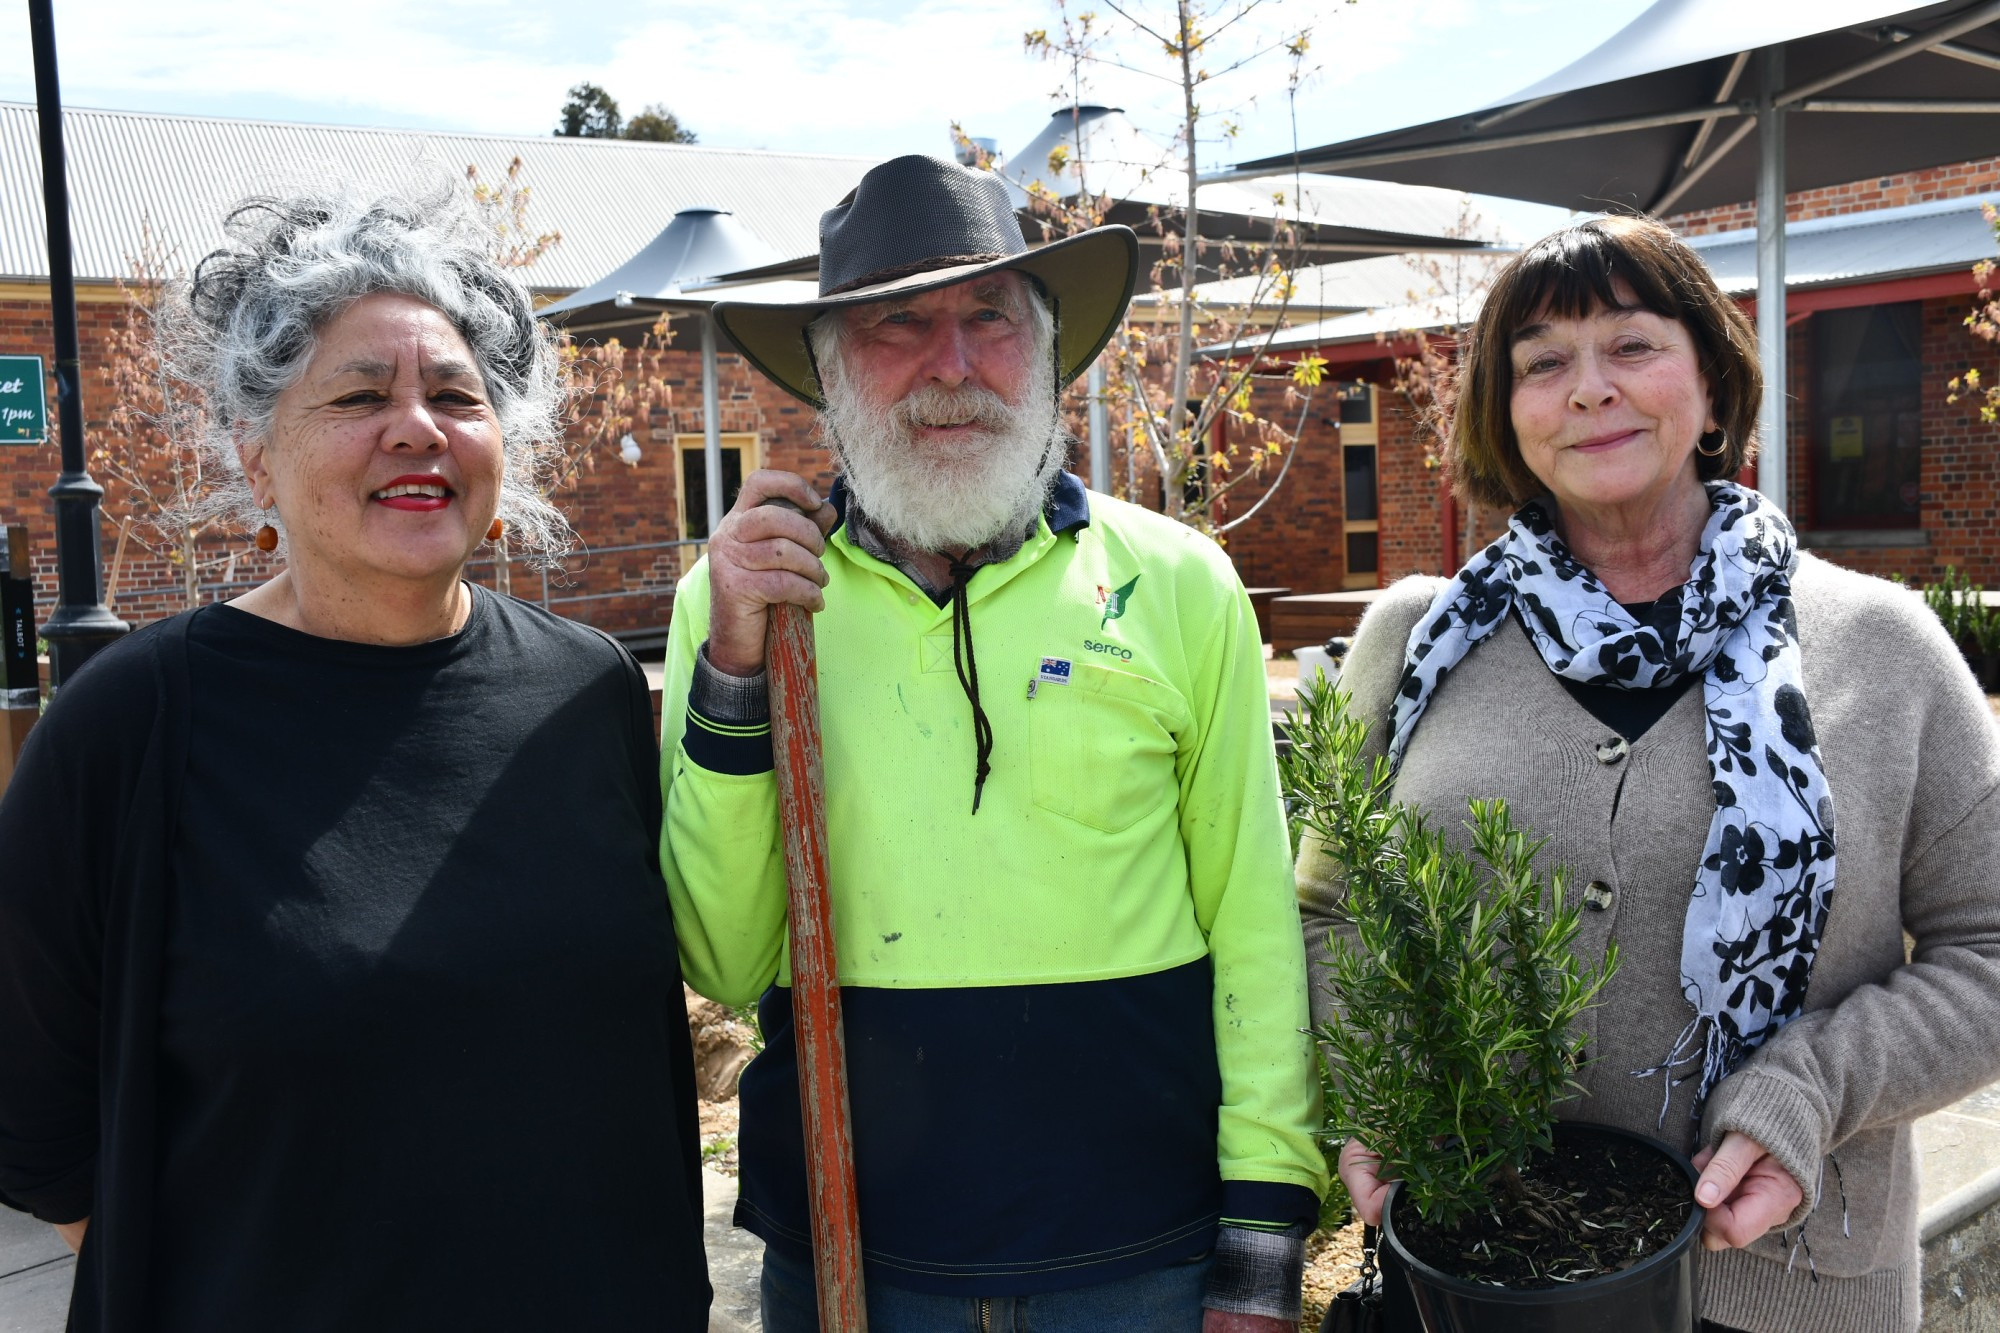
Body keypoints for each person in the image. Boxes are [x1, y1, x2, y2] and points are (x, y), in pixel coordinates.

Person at [0, 188, 711, 1331]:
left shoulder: (584, 690)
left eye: (454, 396)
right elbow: (35, 1118)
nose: (417, 427)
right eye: (360, 395)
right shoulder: (133, 721)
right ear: (254, 450)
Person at [661, 154, 1327, 1331]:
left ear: (1051, 347)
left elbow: (1253, 923)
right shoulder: (753, 603)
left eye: (988, 317)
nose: (952, 365)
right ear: (826, 370)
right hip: (854, 1258)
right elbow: (721, 959)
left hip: (1144, 1258)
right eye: (897, 324)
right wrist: (731, 670)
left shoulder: (1176, 581)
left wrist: (1263, 1233)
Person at [1302, 214, 2000, 1332]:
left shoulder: (1881, 648)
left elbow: (1988, 950)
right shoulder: (1410, 641)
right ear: (1504, 414)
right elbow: (1326, 909)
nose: (1587, 389)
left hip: (1785, 1282)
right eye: (1541, 362)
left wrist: (1808, 1089)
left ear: (1713, 394)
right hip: (1476, 1271)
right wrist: (1390, 1093)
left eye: (1630, 345)